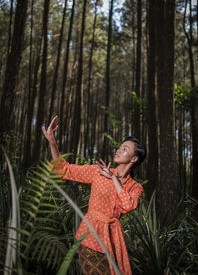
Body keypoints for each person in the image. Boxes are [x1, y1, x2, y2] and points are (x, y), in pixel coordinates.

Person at [41, 116, 146, 275]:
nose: (118, 149)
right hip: (90, 236)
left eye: (125, 149)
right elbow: (64, 169)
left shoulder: (135, 187)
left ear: (134, 158)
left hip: (113, 241)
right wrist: (52, 141)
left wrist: (112, 178)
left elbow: (128, 205)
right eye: (120, 147)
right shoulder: (98, 172)